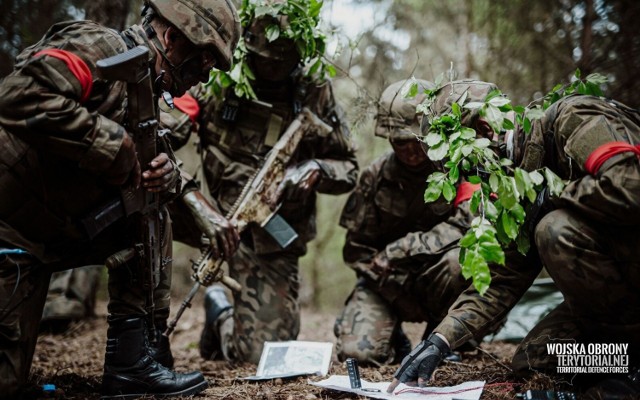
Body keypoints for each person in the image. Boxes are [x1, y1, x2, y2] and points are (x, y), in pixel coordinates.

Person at [0, 0, 241, 398]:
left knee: (150, 210)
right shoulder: (101, 48)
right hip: (11, 237)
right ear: (173, 38)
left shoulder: (146, 91)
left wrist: (165, 173)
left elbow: (149, 160)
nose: (203, 75)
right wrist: (111, 145)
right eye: (203, 61)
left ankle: (134, 360)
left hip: (50, 237)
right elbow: (18, 95)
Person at [387, 80, 640, 397]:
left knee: (554, 228)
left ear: (484, 130)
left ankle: (629, 361)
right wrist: (440, 341)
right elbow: (503, 278)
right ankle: (623, 359)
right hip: (622, 297)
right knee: (534, 361)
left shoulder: (573, 117)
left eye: (469, 165)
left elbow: (630, 187)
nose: (473, 178)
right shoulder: (520, 181)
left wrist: (555, 196)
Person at [163, 2, 358, 364]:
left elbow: (349, 166)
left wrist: (317, 168)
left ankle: (221, 316)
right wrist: (173, 123)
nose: (273, 69)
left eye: (283, 62)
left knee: (265, 356)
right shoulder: (216, 76)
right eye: (264, 60)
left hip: (273, 237)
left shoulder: (315, 89)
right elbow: (167, 127)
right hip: (215, 221)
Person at [334, 79, 481, 365]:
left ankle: (444, 339)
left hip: (439, 282)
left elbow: (470, 227)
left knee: (459, 262)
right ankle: (391, 338)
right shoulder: (374, 177)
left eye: (419, 141)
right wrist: (392, 283)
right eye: (402, 143)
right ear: (388, 138)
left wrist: (400, 250)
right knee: (359, 354)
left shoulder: (459, 168)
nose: (412, 151)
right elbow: (356, 251)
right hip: (387, 285)